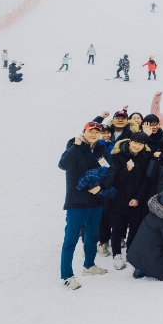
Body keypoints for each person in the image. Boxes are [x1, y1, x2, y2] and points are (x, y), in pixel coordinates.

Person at [59, 121, 112, 289]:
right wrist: (75, 146)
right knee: (71, 239)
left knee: (91, 236)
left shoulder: (100, 150)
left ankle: (89, 265)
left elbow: (110, 170)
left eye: (98, 131)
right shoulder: (74, 147)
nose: (94, 134)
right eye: (91, 131)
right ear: (84, 132)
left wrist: (101, 187)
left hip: (96, 201)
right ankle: (67, 275)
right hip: (77, 202)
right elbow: (63, 165)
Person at [104, 132, 152, 270]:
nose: (137, 146)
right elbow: (114, 180)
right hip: (117, 198)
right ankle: (117, 255)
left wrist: (137, 198)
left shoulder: (145, 158)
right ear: (130, 141)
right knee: (117, 228)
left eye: (141, 144)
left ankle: (130, 252)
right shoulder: (117, 156)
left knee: (135, 227)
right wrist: (127, 169)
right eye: (135, 142)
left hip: (135, 199)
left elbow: (144, 181)